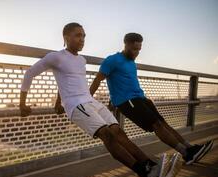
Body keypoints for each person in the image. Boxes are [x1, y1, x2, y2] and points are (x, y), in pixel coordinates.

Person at [19, 23, 182, 177]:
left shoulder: (81, 60)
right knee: (108, 135)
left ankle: (152, 166)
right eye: (77, 35)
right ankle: (146, 175)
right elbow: (29, 73)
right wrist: (22, 103)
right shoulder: (55, 57)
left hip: (92, 102)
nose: (82, 39)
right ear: (66, 37)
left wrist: (58, 103)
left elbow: (67, 82)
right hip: (77, 105)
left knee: (119, 133)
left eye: (83, 36)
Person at [89, 32, 213, 166]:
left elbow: (129, 81)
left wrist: (145, 98)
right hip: (127, 101)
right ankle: (186, 153)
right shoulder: (112, 60)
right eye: (134, 49)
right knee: (156, 125)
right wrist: (87, 99)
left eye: (139, 50)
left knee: (163, 124)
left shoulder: (131, 62)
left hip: (140, 99)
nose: (136, 52)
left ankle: (190, 148)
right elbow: (97, 79)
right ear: (126, 45)